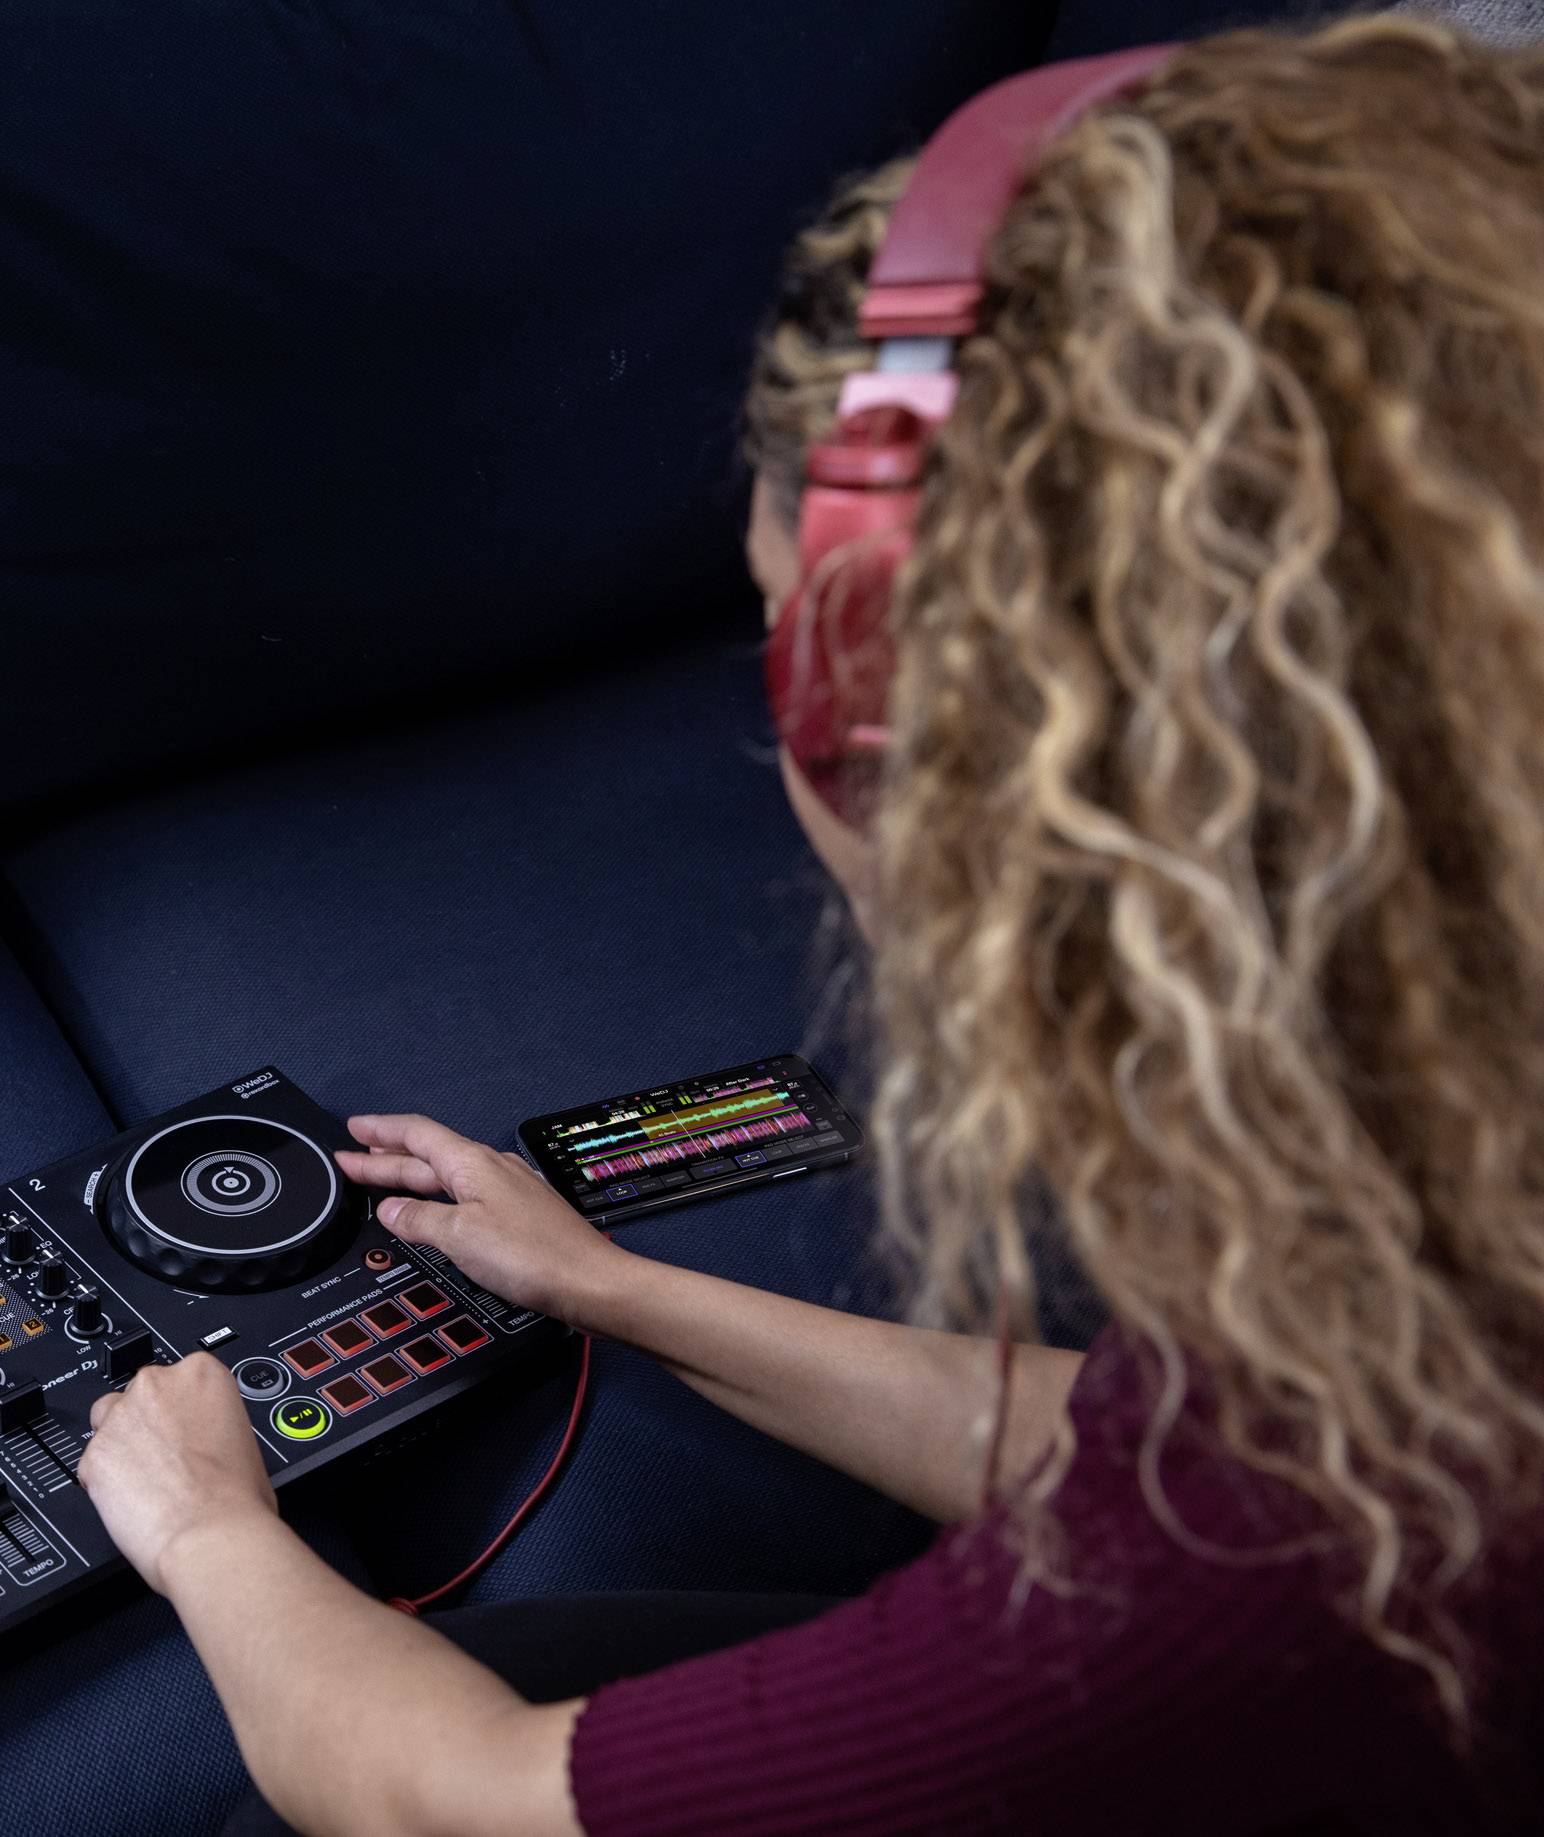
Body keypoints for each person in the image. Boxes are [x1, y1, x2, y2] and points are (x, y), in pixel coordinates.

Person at [76, 17, 1544, 1833]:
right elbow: (1157, 1439)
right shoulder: (1420, 1247)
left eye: (786, 647)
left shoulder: (1287, 1556)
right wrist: (614, 1285)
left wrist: (204, 1525)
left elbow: (442, 1797)